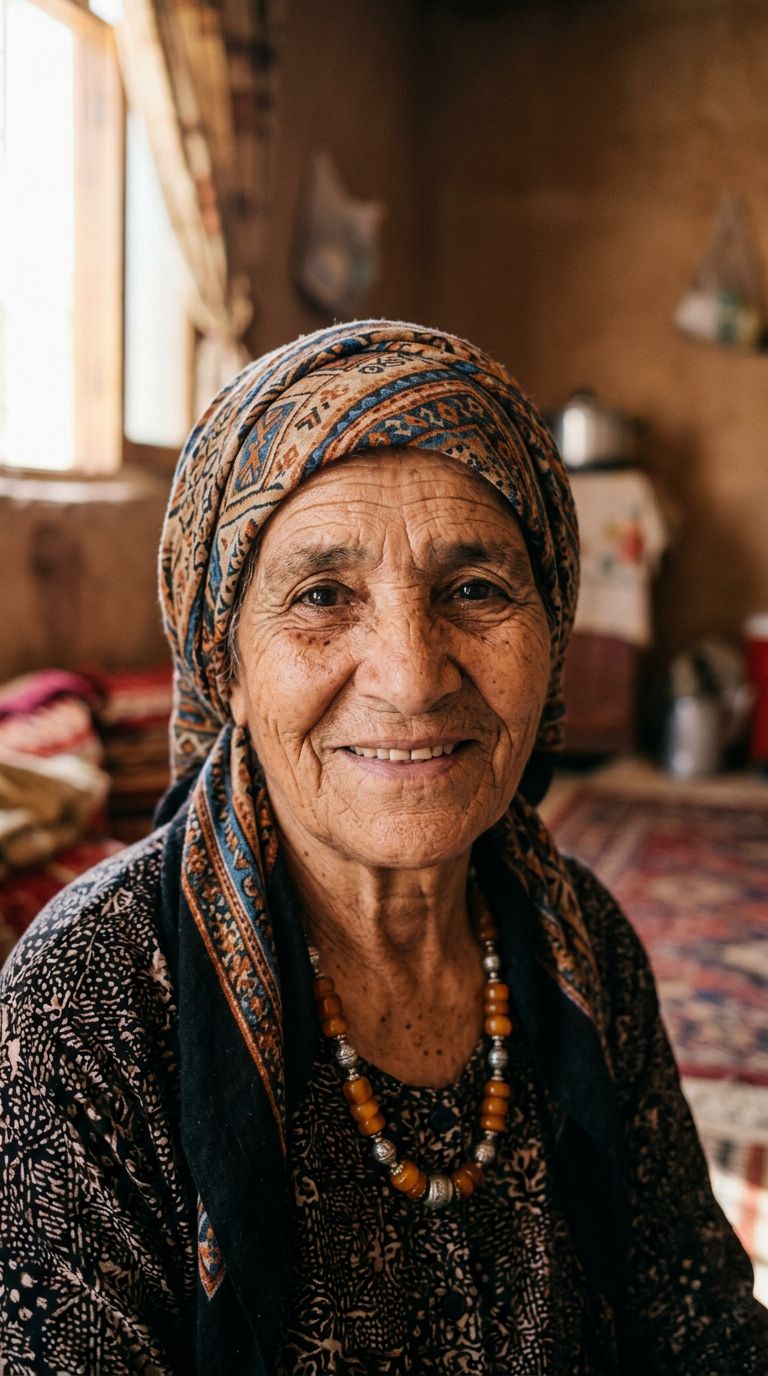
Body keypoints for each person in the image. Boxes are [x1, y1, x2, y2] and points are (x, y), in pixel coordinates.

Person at [0, 321, 765, 1376]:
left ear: (554, 628)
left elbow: (704, 1325)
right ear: (224, 660)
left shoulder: (579, 939)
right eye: (322, 596)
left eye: (476, 588)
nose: (411, 676)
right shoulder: (88, 1001)